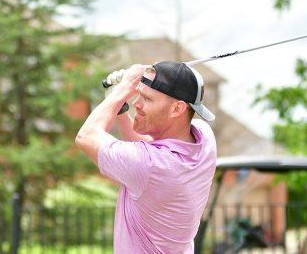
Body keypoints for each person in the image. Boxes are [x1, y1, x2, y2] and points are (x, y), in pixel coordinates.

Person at [75, 61, 217, 253]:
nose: (136, 103)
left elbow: (86, 137)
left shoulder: (150, 165)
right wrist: (121, 110)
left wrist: (122, 90)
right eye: (138, 94)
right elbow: (149, 148)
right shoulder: (204, 139)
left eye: (147, 99)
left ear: (177, 109)